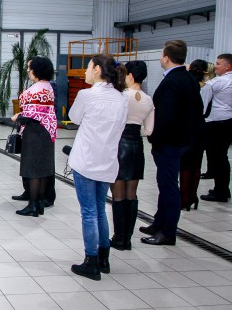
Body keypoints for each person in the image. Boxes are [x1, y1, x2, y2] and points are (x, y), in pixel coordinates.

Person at [68, 55, 128, 280]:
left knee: (89, 212)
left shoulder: (86, 95)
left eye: (88, 67)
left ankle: (90, 261)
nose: (85, 71)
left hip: (86, 161)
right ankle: (104, 258)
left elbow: (74, 118)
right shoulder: (121, 98)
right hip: (107, 162)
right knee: (100, 209)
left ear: (97, 70)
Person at [140, 40, 203, 246]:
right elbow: (198, 110)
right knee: (165, 183)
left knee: (168, 187)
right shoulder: (188, 78)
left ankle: (168, 232)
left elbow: (165, 117)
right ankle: (159, 222)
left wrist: (154, 139)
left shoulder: (172, 81)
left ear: (166, 58)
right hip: (182, 140)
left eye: (161, 55)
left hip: (169, 142)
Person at [110, 61, 154, 251]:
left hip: (120, 145)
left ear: (130, 76)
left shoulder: (120, 96)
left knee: (117, 194)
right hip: (137, 146)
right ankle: (127, 238)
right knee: (131, 194)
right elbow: (149, 130)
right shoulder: (148, 100)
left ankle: (119, 238)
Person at [10, 57, 56, 217]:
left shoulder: (36, 89)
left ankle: (33, 205)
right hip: (47, 131)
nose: (28, 71)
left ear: (37, 70)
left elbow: (32, 114)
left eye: (30, 68)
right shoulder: (48, 86)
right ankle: (39, 204)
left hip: (35, 133)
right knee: (42, 170)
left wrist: (17, 117)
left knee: (33, 170)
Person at [200, 53, 232, 202]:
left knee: (217, 158)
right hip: (228, 121)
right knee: (222, 158)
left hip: (217, 123)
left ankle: (220, 192)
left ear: (228, 66)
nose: (215, 66)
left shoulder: (218, 81)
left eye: (218, 64)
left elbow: (203, 100)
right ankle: (223, 188)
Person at [179, 59, 209, 210]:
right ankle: (192, 196)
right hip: (200, 127)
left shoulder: (188, 85)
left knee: (185, 163)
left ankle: (184, 198)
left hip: (188, 126)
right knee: (196, 164)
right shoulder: (206, 86)